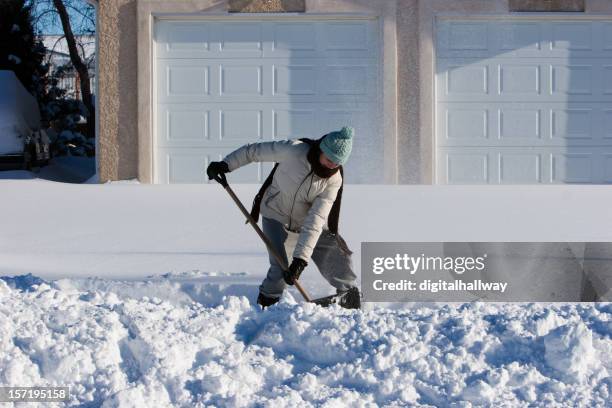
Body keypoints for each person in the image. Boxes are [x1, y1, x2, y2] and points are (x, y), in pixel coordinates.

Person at [206, 127, 359, 309]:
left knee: (335, 255)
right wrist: (226, 165)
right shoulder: (294, 150)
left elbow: (316, 220)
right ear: (321, 149)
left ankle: (348, 297)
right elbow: (254, 151)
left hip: (305, 222)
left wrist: (300, 260)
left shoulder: (333, 180)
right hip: (275, 214)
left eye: (337, 163)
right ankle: (267, 304)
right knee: (280, 267)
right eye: (329, 159)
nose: (332, 166)